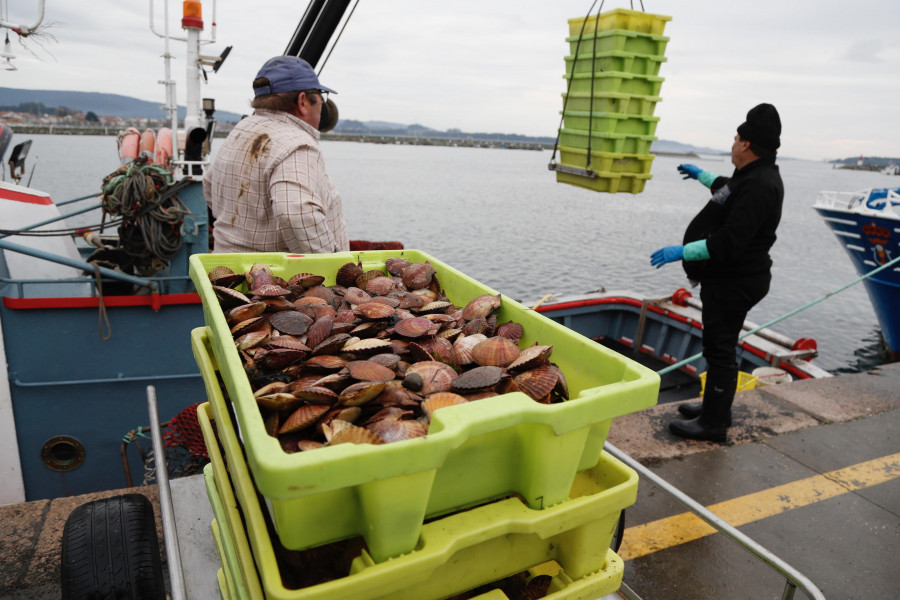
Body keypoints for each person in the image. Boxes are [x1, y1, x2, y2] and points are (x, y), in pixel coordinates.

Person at [650, 103, 784, 442]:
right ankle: (714, 408)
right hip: (732, 279)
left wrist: (681, 251)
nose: (733, 141)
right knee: (718, 346)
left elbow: (728, 243)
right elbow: (728, 189)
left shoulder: (759, 185)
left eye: (737, 136)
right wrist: (701, 176)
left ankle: (713, 423)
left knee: (721, 350)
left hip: (734, 281)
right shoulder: (754, 176)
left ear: (746, 144)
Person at [204, 56, 349, 254]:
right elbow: (296, 213)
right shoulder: (297, 144)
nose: (322, 106)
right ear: (303, 101)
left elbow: (209, 186)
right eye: (321, 97)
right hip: (272, 279)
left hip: (226, 269)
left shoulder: (241, 130)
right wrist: (330, 266)